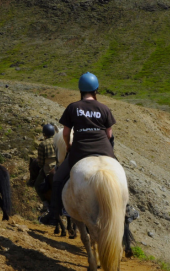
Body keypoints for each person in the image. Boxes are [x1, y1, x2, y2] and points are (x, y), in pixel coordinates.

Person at [39, 72, 116, 225]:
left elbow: (66, 133)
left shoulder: (73, 107)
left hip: (80, 151)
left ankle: (54, 214)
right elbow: (109, 134)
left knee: (59, 177)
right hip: (104, 149)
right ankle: (126, 209)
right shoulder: (104, 108)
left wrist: (68, 146)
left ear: (80, 90)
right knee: (118, 173)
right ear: (96, 90)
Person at [35, 124, 57, 210]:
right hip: (58, 166)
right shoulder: (57, 141)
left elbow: (40, 162)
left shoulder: (42, 144)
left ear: (44, 134)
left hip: (48, 168)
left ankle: (45, 204)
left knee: (37, 185)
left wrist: (41, 167)